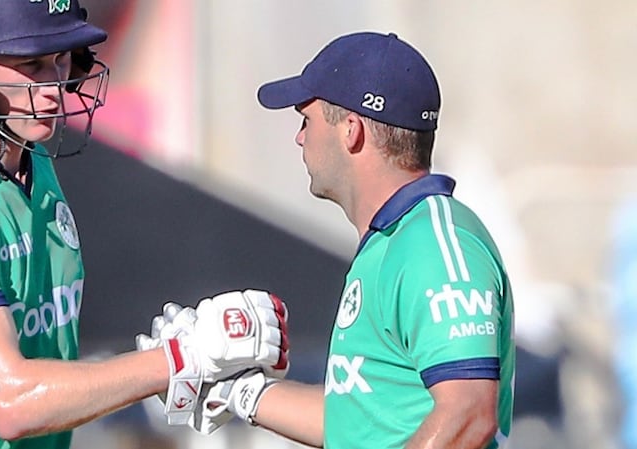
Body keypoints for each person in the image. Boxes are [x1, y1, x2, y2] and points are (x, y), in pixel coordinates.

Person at [0, 1, 288, 448]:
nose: (55, 86)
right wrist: (179, 359)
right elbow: (11, 402)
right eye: (31, 64)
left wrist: (150, 368)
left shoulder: (33, 159)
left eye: (62, 59)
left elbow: (42, 350)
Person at [174, 31, 515, 449]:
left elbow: (468, 415)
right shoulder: (391, 241)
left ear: (351, 130)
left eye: (306, 120)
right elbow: (356, 421)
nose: (300, 137)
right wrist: (236, 391)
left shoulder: (434, 244)